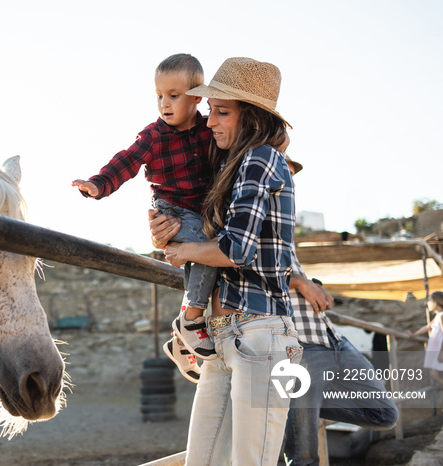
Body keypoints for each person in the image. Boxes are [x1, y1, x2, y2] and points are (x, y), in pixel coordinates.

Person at [150, 57, 301, 465]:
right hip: (223, 340)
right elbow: (207, 240)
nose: (209, 120)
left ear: (249, 118)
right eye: (209, 109)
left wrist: (179, 251)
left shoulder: (260, 159)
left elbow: (237, 250)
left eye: (222, 111)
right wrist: (168, 231)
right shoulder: (230, 166)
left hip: (260, 335)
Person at [72, 53, 217, 381]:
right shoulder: (154, 135)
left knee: (210, 255)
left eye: (174, 96)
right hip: (172, 210)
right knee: (207, 251)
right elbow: (127, 161)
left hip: (202, 213)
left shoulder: (210, 129)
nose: (164, 103)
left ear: (196, 98)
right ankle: (191, 321)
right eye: (159, 96)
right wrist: (97, 184)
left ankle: (180, 343)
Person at [282, 156, 399, 466]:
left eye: (292, 177)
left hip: (332, 339)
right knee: (304, 457)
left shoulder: (285, 230)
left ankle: (296, 408)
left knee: (384, 413)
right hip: (300, 348)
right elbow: (242, 270)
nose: (290, 183)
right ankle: (293, 411)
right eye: (285, 172)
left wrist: (310, 284)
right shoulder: (252, 217)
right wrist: (300, 283)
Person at [409, 291, 443, 386]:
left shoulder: (441, 316)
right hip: (438, 350)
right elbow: (427, 327)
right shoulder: (438, 316)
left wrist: (441, 351)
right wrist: (414, 335)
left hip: (440, 350)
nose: (427, 303)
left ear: (435, 302)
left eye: (429, 301)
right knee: (434, 374)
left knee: (434, 374)